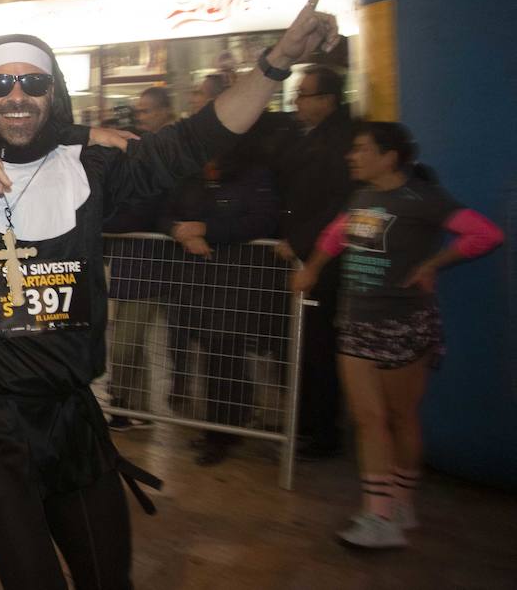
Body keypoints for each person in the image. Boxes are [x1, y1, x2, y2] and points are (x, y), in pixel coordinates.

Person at [0, 0, 338, 590]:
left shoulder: (92, 168)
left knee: (108, 574)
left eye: (34, 83)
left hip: (73, 413)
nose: (17, 95)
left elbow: (201, 136)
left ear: (54, 93)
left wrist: (276, 62)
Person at [292, 122, 502, 550]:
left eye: (361, 149)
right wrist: (312, 268)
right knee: (369, 420)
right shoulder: (360, 197)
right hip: (356, 321)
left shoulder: (423, 198)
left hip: (404, 323)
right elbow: (336, 234)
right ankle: (378, 515)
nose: (352, 155)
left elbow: (486, 234)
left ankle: (402, 504)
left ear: (389, 157)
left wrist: (433, 264)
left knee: (400, 418)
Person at [161, 137, 279, 465]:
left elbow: (263, 220)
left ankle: (223, 430)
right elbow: (165, 212)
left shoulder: (253, 175)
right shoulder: (191, 175)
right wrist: (178, 230)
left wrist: (207, 229)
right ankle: (226, 422)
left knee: (224, 356)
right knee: (214, 355)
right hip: (196, 284)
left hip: (236, 283)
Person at [276, 64, 354, 460]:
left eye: (304, 94)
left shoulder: (342, 142)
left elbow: (339, 206)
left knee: (319, 346)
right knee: (305, 345)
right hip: (305, 252)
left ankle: (323, 432)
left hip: (322, 260)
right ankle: (305, 423)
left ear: (326, 100)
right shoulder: (306, 136)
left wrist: (300, 242)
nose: (296, 101)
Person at [104, 86, 178, 432]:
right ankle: (137, 408)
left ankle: (128, 406)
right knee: (133, 344)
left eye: (146, 111)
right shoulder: (141, 153)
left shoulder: (163, 154)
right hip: (131, 264)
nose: (141, 118)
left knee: (126, 344)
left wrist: (105, 218)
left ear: (164, 111)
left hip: (151, 265)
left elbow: (143, 210)